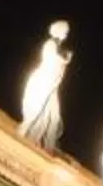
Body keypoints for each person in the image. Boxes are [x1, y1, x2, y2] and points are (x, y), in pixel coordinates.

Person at [18, 20, 72, 149]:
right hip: (44, 81)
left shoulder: (58, 48)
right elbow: (53, 59)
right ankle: (23, 134)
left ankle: (47, 145)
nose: (66, 34)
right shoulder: (51, 44)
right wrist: (65, 58)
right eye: (65, 31)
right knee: (36, 111)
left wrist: (65, 58)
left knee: (53, 117)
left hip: (52, 85)